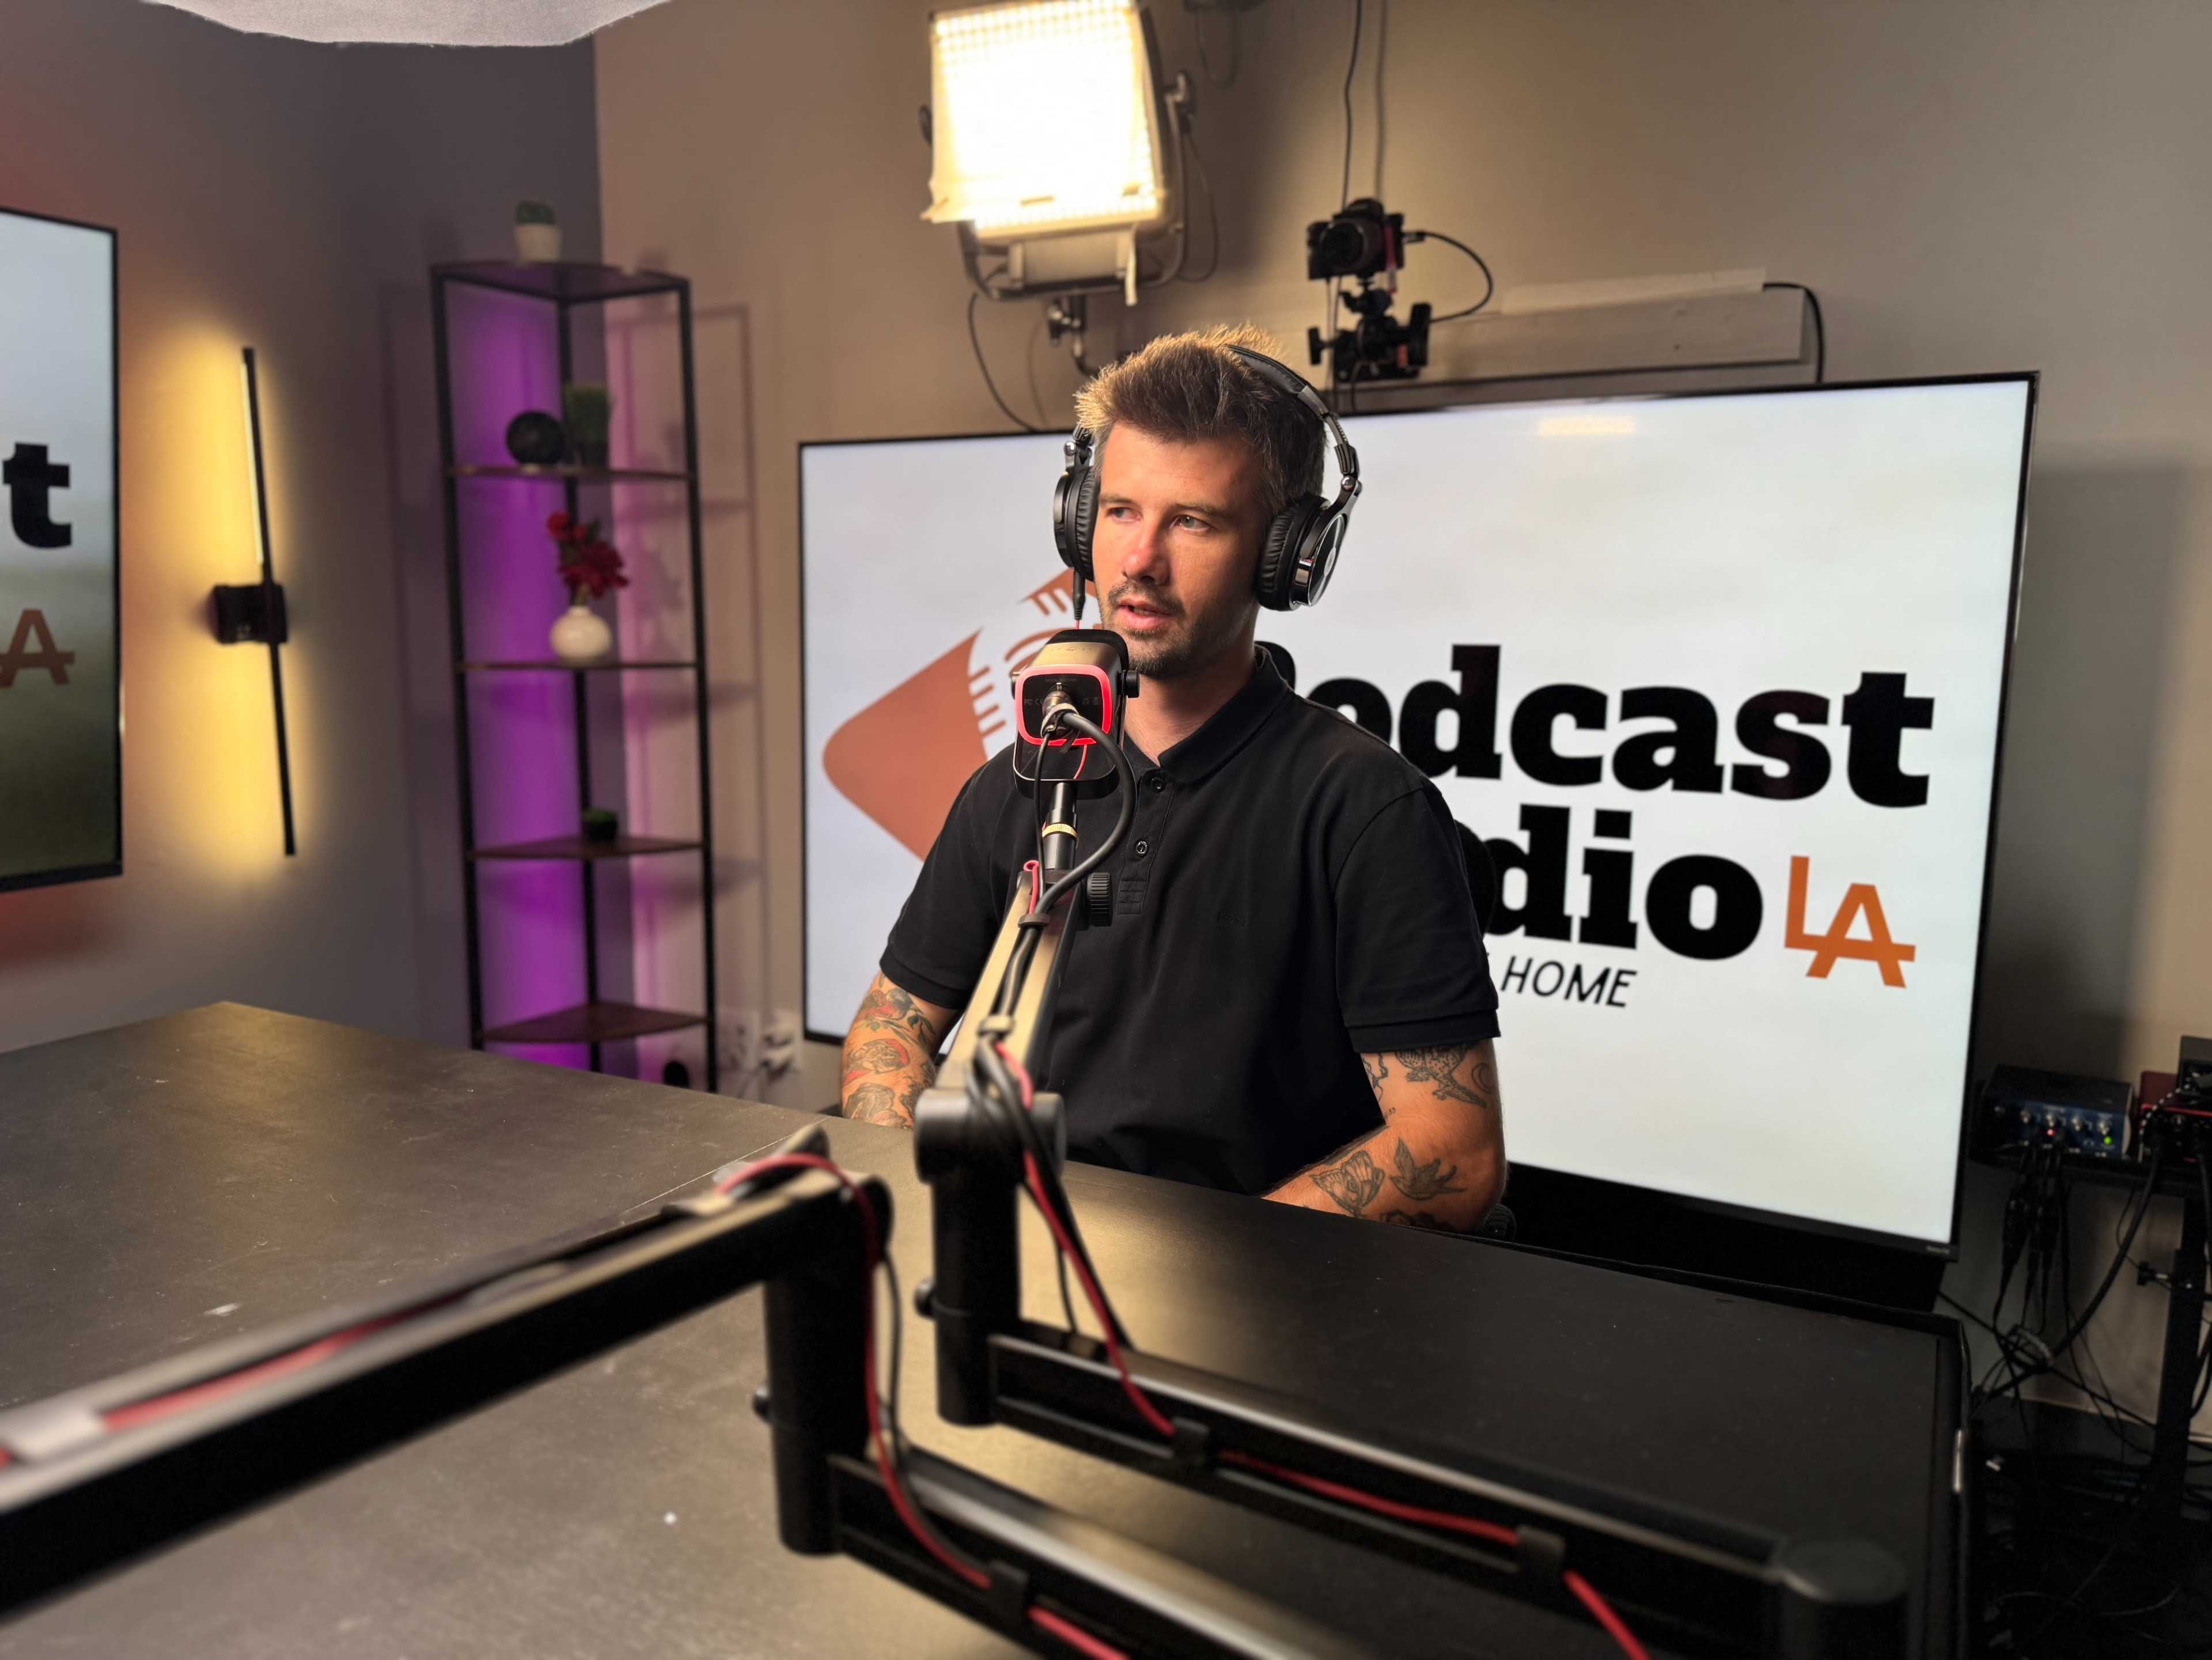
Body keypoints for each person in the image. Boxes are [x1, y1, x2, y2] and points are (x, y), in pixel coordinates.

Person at [839, 324, 1505, 1230]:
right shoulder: (1021, 782)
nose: (1139, 561)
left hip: (1255, 1310)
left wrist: (1205, 1280)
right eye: (1118, 512)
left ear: (1285, 555)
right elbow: (891, 1028)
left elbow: (1452, 1152)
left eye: (1192, 520)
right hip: (1029, 1277)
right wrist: (932, 1212)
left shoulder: (1365, 809)